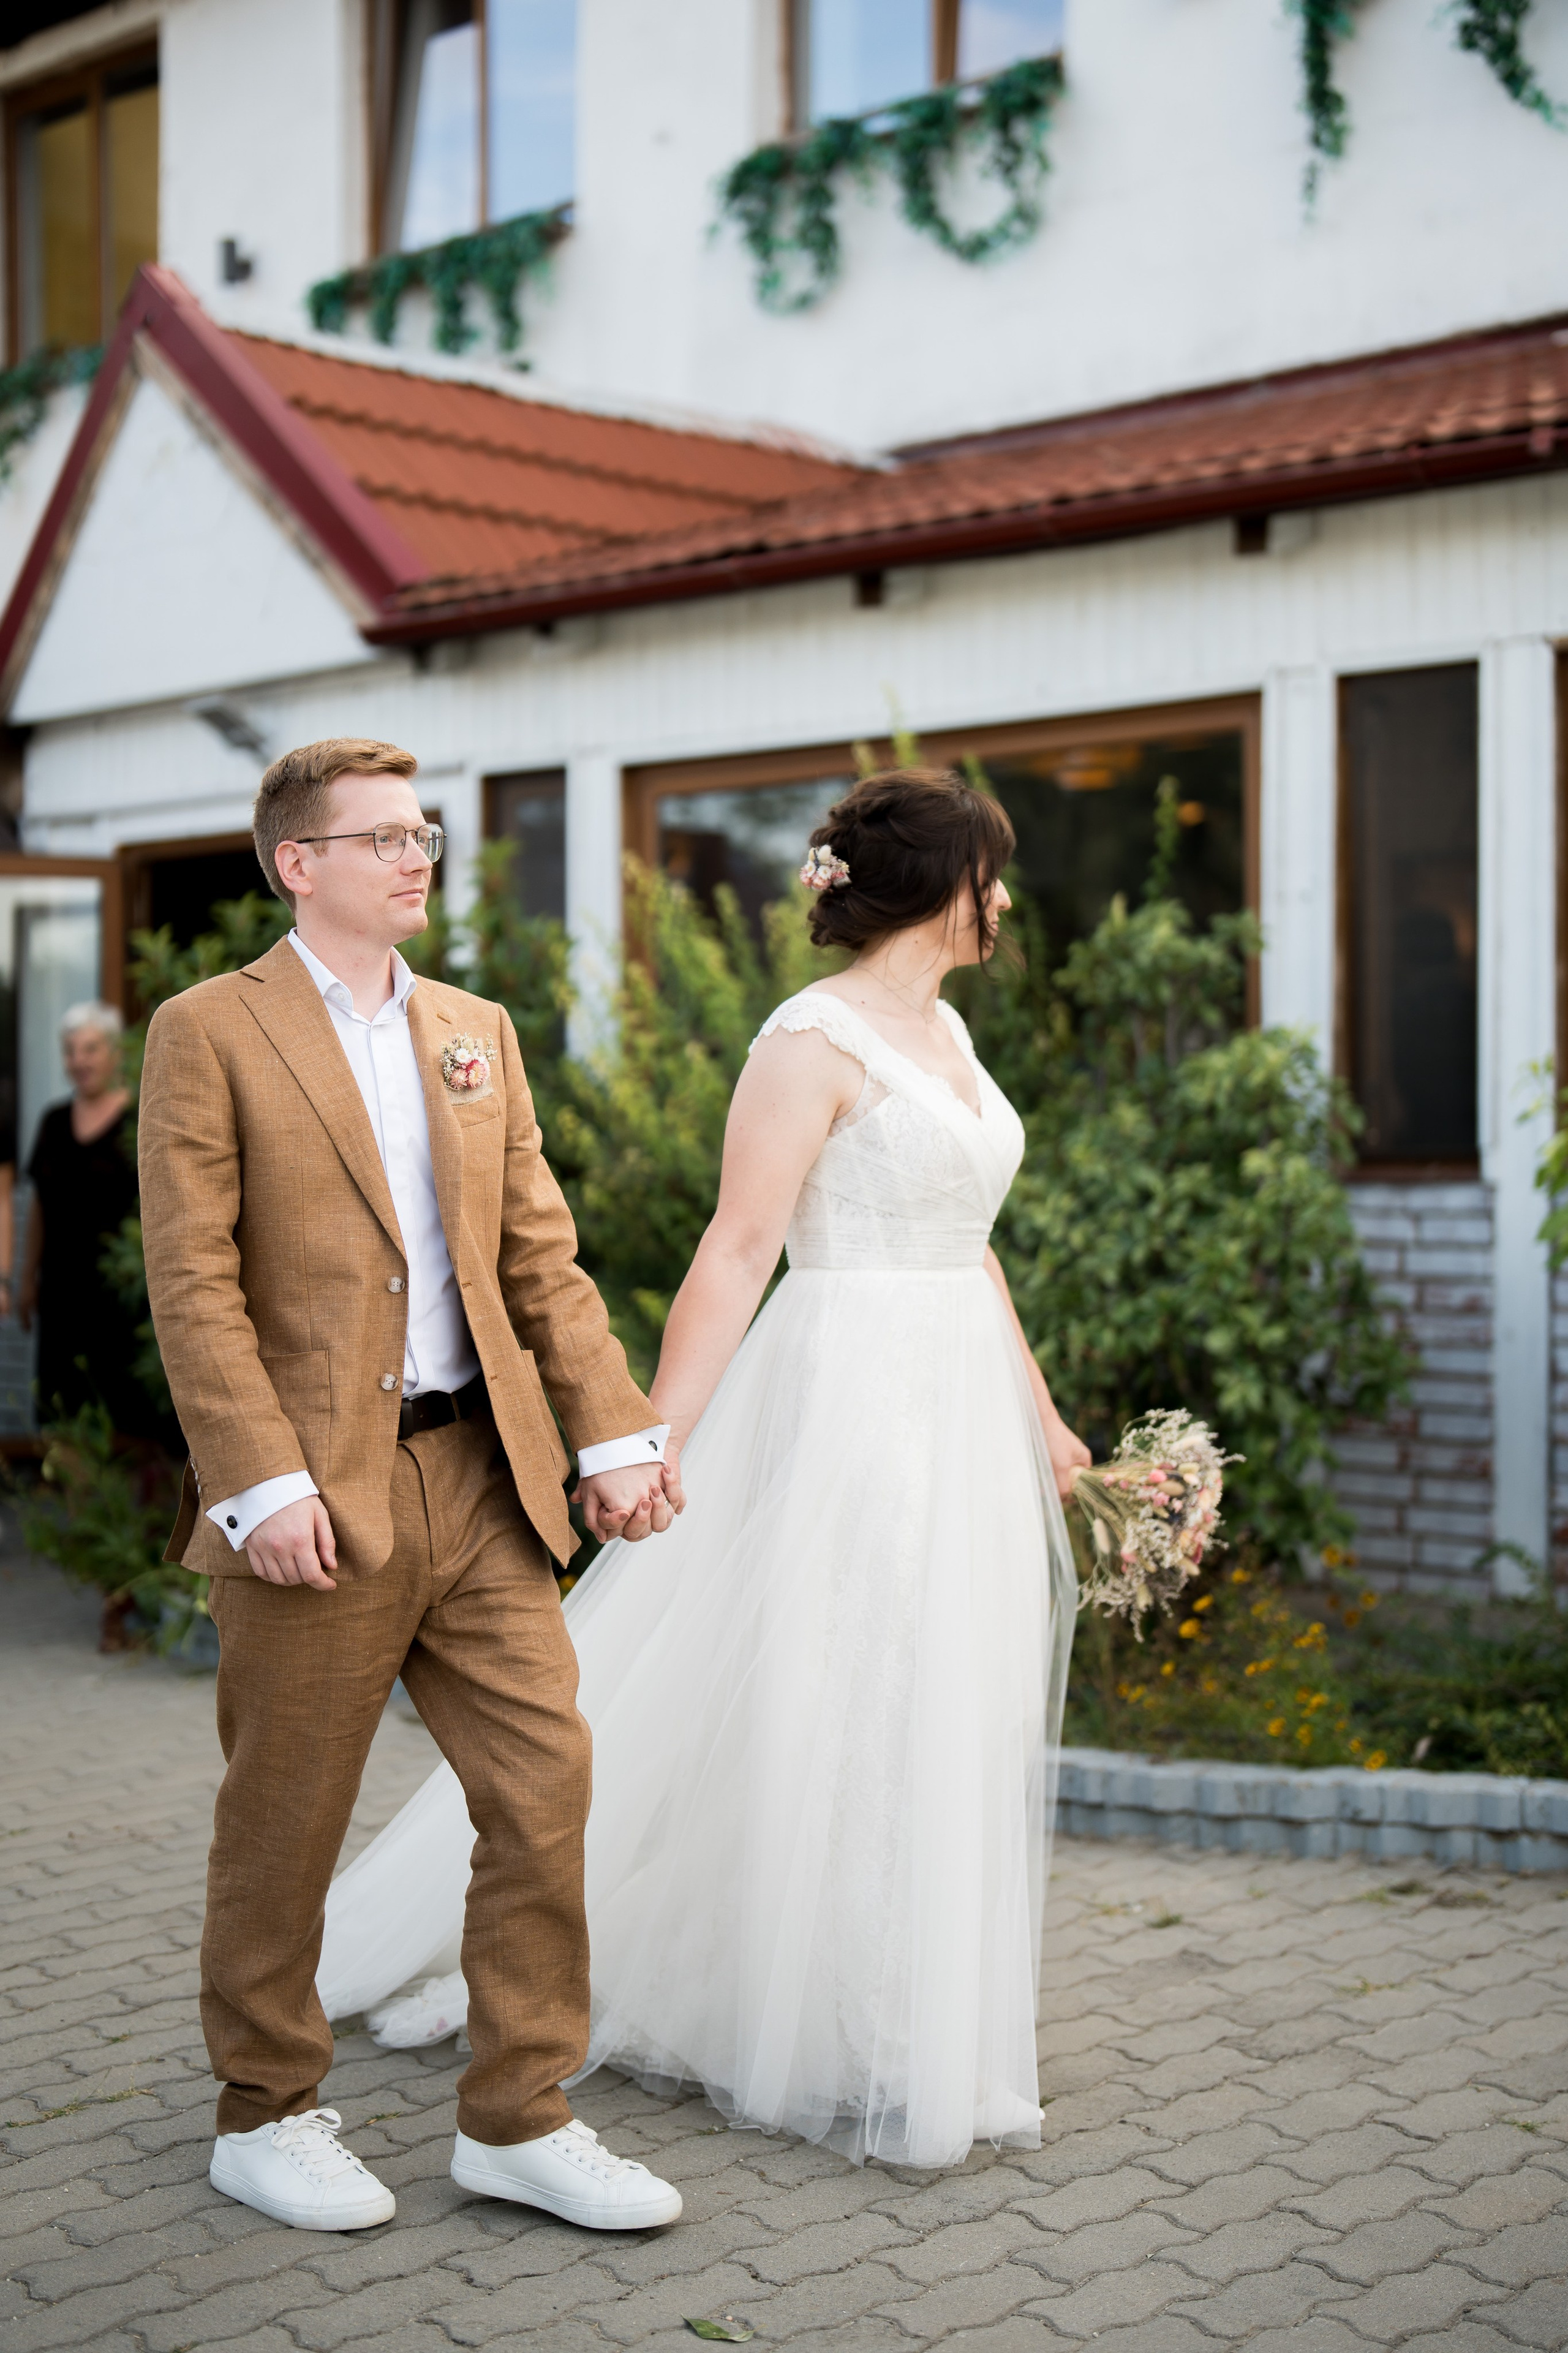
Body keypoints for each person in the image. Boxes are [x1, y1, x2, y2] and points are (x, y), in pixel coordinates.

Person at [318, 767, 1088, 2171]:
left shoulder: (949, 1035)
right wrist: (649, 1434)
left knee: (942, 1687)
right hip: (847, 1390)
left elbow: (969, 1237)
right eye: (992, 872)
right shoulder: (809, 1038)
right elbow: (737, 1246)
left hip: (958, 1397)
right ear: (938, 883)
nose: (1003, 898)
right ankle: (843, 2026)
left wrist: (1038, 1416)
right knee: (850, 1682)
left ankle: (914, 2001)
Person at [137, 737, 685, 2237]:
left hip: (483, 1482)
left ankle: (517, 2112)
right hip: (316, 1491)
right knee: (288, 1814)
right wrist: (257, 1478)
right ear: (295, 863)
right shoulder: (209, 1028)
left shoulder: (473, 1029)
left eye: (423, 831)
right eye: (381, 836)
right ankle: (265, 2107)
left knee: (543, 1780)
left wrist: (613, 1431)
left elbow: (536, 1258)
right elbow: (189, 1277)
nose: (417, 855)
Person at [20, 1002, 149, 1435]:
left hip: (122, 1295)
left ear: (114, 1052)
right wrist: (25, 1279)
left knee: (124, 1409)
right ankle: (78, 1503)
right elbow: (38, 1204)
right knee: (65, 1409)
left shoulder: (140, 1120)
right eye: (70, 1051)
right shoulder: (54, 1121)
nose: (79, 1061)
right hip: (60, 1291)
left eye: (90, 1049)